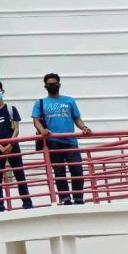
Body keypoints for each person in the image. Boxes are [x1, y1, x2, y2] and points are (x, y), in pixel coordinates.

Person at [32, 73, 92, 205]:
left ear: (59, 84)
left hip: (71, 141)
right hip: (52, 142)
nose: (52, 86)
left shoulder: (69, 100)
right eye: (49, 84)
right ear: (45, 86)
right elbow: (36, 120)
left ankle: (78, 198)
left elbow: (77, 118)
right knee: (59, 172)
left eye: (54, 84)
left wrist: (84, 127)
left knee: (77, 170)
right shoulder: (40, 103)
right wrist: (42, 130)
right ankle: (65, 199)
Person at [0, 81, 34, 211]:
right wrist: (0, 147)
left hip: (13, 147)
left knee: (20, 175)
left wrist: (10, 144)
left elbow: (16, 129)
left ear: (2, 91)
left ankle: (27, 203)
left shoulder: (11, 109)